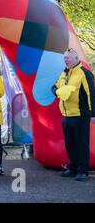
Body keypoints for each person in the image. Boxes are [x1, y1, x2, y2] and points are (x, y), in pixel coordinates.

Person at [52, 48, 95, 182]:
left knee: (81, 144)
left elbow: (91, 94)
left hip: (81, 115)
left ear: (76, 59)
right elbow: (54, 86)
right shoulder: (64, 73)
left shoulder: (84, 73)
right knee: (70, 144)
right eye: (64, 58)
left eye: (68, 58)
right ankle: (73, 168)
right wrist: (58, 92)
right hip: (66, 115)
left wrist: (93, 114)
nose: (66, 60)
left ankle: (83, 171)